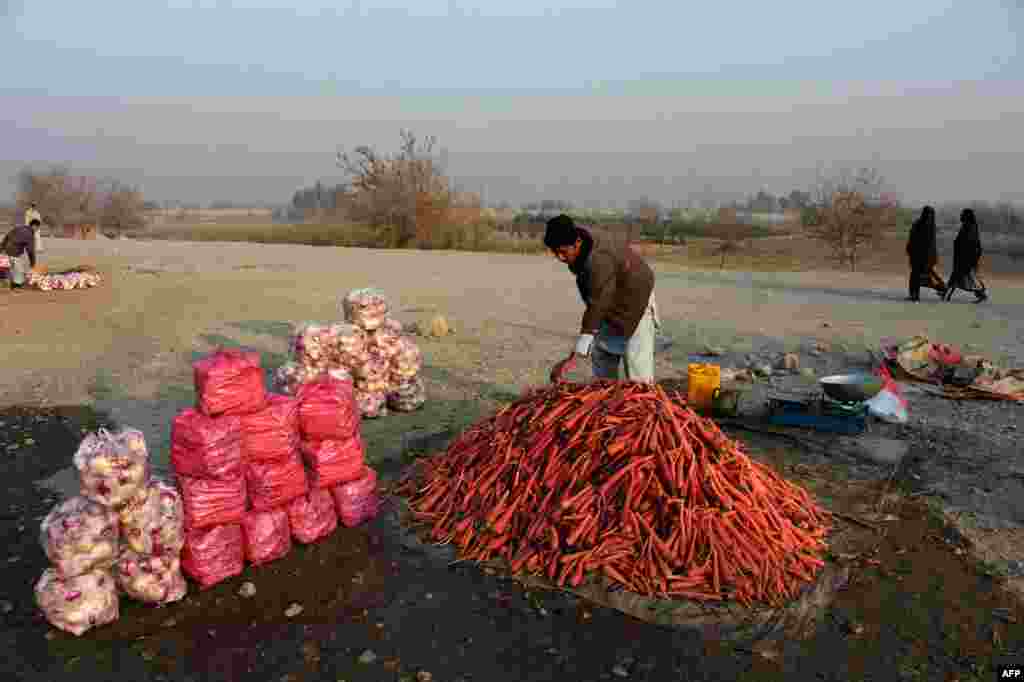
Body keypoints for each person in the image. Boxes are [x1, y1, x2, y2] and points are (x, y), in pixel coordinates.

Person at [544, 214, 658, 384]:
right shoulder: (581, 244)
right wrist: (579, 348)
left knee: (637, 368)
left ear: (577, 243)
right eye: (555, 252)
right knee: (602, 354)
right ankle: (605, 399)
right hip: (610, 304)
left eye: (563, 252)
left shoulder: (598, 257)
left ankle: (644, 404)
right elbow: (597, 299)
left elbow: (599, 299)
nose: (560, 257)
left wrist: (584, 339)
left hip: (637, 298)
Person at [944, 208, 988, 303]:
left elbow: (968, 243)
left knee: (966, 278)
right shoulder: (969, 226)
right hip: (965, 258)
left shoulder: (969, 227)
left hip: (966, 259)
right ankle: (946, 294)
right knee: (957, 277)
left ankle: (981, 294)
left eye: (962, 214)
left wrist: (968, 259)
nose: (961, 216)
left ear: (966, 216)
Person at [905, 205, 946, 302]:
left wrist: (911, 250)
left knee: (917, 277)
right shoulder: (931, 226)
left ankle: (915, 295)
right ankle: (942, 288)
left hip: (921, 257)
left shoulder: (920, 224)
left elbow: (913, 240)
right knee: (920, 277)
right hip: (926, 258)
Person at [1, 219, 38, 290]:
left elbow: (7, 236)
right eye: (37, 228)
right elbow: (30, 250)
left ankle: (9, 284)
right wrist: (33, 263)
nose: (37, 230)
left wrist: (2, 248)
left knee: (8, 269)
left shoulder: (18, 228)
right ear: (34, 226)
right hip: (15, 252)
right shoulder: (29, 234)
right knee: (19, 270)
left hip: (6, 250)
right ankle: (16, 286)